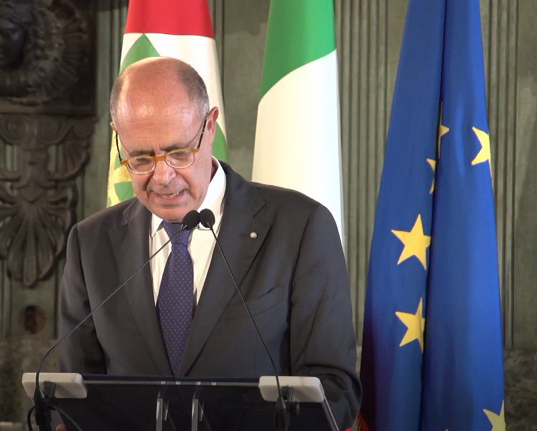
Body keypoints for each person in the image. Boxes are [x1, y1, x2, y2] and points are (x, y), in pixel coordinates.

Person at [57, 57, 361, 428]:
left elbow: (334, 390)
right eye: (141, 158)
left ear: (210, 125)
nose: (162, 176)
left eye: (178, 153)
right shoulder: (91, 244)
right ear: (118, 138)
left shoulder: (299, 227)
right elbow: (74, 396)